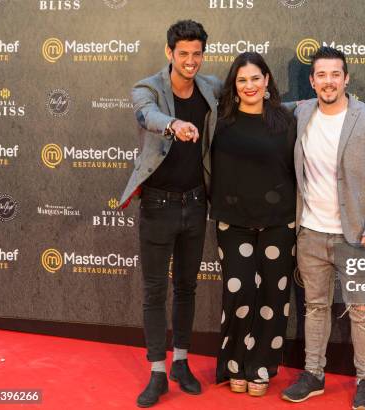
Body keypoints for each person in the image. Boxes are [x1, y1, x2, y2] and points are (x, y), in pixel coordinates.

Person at [281, 47, 365, 410]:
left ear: (346, 78)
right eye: (321, 75)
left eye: (336, 74)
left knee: (362, 310)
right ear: (312, 81)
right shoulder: (300, 113)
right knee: (315, 308)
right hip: (310, 233)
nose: (328, 81)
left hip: (356, 236)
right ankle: (313, 374)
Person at [118, 20, 221, 408]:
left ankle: (181, 362)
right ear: (169, 53)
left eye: (197, 54)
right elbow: (147, 116)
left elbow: (249, 100)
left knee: (188, 288)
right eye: (183, 54)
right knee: (155, 291)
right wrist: (174, 124)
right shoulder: (147, 88)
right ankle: (157, 372)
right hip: (158, 206)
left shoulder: (210, 87)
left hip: (196, 204)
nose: (191, 61)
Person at [210, 52, 296, 397]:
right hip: (234, 224)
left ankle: (261, 367)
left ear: (267, 81)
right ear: (234, 84)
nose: (249, 86)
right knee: (239, 293)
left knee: (274, 298)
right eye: (242, 80)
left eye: (255, 79)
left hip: (279, 222)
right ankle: (235, 364)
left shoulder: (286, 120)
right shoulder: (220, 120)